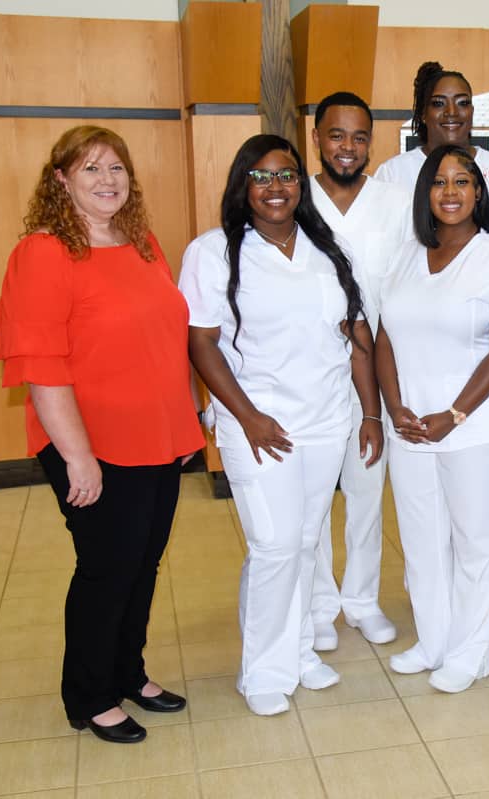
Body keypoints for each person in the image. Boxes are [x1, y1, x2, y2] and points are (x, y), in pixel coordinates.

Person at [0, 125, 203, 743]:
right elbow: (40, 367)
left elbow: (163, 340)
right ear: (61, 180)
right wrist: (78, 458)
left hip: (157, 437)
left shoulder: (141, 242)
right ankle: (88, 695)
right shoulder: (43, 252)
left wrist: (183, 425)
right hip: (93, 444)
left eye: (116, 168)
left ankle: (127, 672)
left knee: (143, 566)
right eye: (91, 170)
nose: (108, 181)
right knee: (106, 569)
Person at [180, 134, 379, 716]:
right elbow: (202, 343)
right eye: (262, 177)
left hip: (324, 421)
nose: (275, 187)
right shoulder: (214, 252)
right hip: (257, 425)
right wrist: (248, 416)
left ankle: (294, 652)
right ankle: (263, 670)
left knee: (303, 541)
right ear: (243, 184)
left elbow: (357, 337)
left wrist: (368, 413)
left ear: (302, 185)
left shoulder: (329, 250)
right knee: (273, 545)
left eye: (287, 176)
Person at [377, 144, 489, 693]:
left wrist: (455, 413)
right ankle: (434, 639)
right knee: (420, 540)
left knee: (473, 540)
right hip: (410, 424)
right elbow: (384, 337)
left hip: (473, 425)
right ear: (425, 194)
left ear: (479, 192)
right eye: (439, 182)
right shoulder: (405, 255)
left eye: (462, 181)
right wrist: (394, 405)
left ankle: (471, 651)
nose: (450, 191)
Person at [306, 91, 414, 650]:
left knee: (369, 493)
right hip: (316, 377)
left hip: (374, 375)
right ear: (317, 138)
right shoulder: (294, 199)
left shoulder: (395, 202)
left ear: (372, 142)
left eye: (359, 137)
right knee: (318, 498)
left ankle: (362, 600)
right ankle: (321, 605)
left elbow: (405, 290)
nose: (347, 148)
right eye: (336, 135)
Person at [375, 61, 489, 255]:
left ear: (472, 111)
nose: (451, 112)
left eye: (462, 102)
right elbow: (382, 249)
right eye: (439, 103)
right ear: (422, 113)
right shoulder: (392, 173)